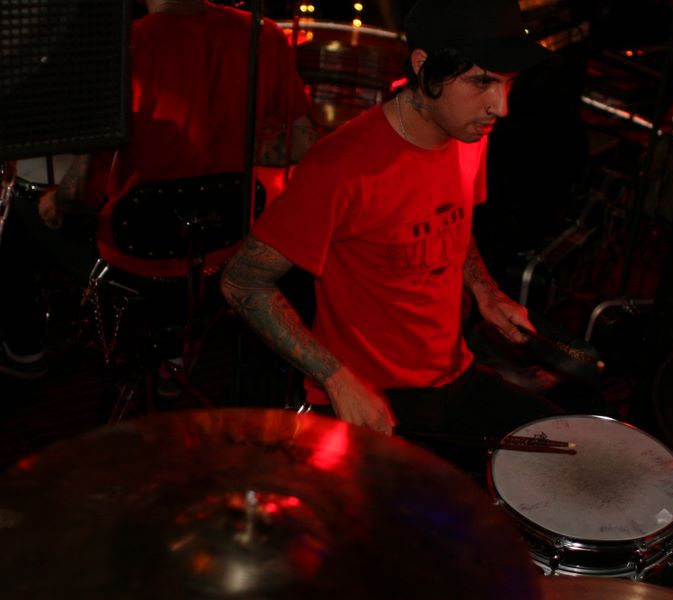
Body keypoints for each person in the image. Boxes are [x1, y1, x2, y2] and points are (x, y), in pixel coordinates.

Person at [220, 0, 563, 450]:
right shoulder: (341, 167)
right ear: (423, 66)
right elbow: (242, 283)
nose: (500, 107)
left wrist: (485, 291)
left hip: (455, 375)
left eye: (507, 83)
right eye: (482, 82)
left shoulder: (468, 134)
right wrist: (335, 378)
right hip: (372, 398)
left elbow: (452, 221)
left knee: (577, 444)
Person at [0, 0, 315, 380]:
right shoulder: (264, 35)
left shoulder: (120, 49)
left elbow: (80, 192)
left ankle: (24, 351)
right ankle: (175, 358)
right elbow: (300, 144)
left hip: (137, 260)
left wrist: (55, 201)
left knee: (19, 202)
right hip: (225, 251)